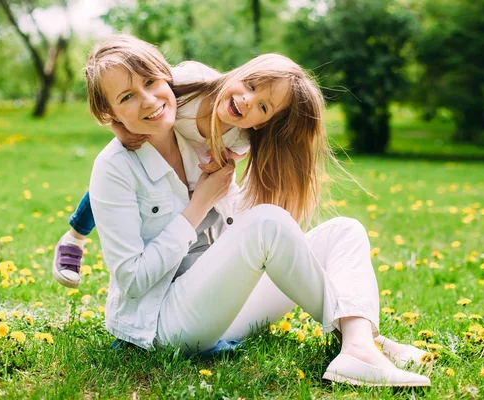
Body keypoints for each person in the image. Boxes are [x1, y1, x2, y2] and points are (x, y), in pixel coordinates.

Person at [73, 34, 432, 387]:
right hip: (164, 322)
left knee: (344, 231)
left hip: (220, 309)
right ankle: (363, 346)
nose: (150, 100)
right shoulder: (114, 168)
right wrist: (200, 204)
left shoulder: (201, 137)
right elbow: (132, 281)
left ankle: (359, 343)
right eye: (128, 96)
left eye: (151, 82)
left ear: (166, 77)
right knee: (268, 223)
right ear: (110, 113)